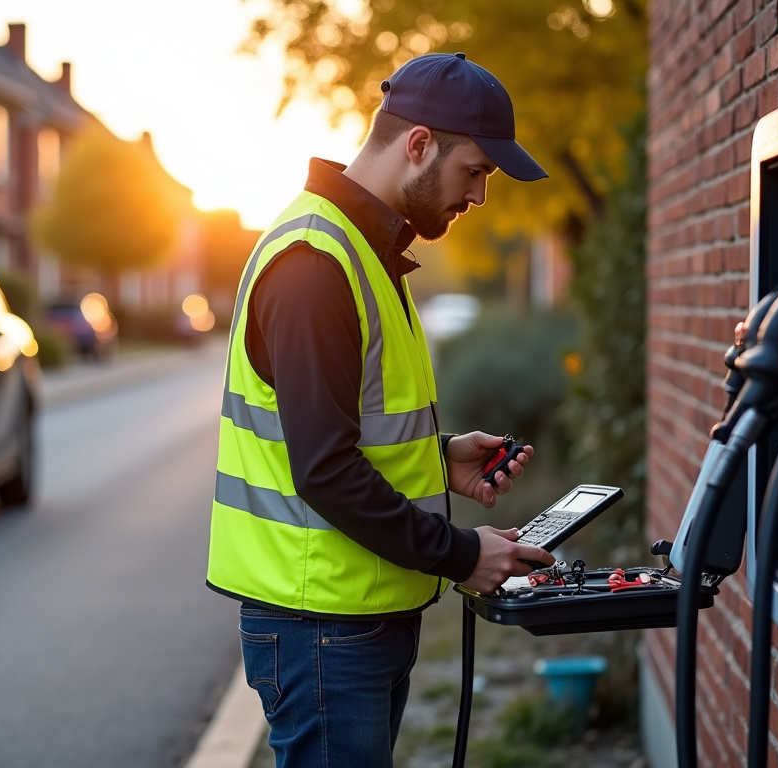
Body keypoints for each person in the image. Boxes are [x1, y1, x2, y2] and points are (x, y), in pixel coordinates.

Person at [206, 52, 556, 768]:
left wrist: (440, 455)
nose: (480, 197)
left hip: (351, 617)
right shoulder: (315, 264)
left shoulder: (362, 250)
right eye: (477, 171)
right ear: (419, 144)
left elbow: (349, 430)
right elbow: (326, 471)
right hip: (321, 625)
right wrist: (463, 554)